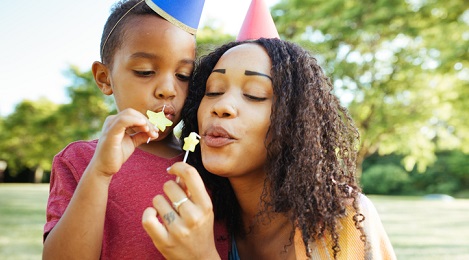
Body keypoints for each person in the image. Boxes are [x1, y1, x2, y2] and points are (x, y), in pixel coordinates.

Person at [142, 37, 397, 259]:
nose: (221, 106)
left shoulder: (342, 218)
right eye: (213, 91)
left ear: (293, 122)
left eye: (254, 94)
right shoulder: (198, 215)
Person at [42, 0, 229, 259]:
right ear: (104, 78)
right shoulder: (80, 160)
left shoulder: (211, 161)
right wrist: (99, 173)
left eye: (183, 75)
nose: (168, 89)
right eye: (145, 71)